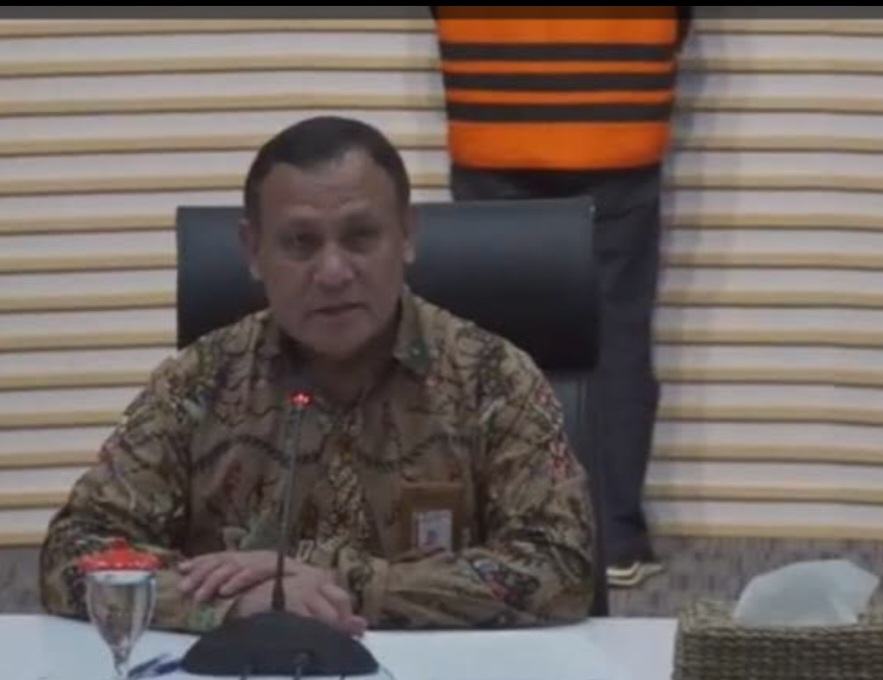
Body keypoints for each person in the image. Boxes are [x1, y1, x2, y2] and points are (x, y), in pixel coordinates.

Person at [39, 115, 598, 634]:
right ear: (253, 250)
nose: (332, 272)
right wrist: (232, 600)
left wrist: (335, 585)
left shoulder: (491, 377)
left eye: (360, 237)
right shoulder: (199, 381)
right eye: (299, 243)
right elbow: (73, 551)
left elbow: (562, 568)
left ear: (406, 235)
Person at [429, 6, 692, 588]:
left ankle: (505, 533)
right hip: (619, 122)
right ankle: (614, 538)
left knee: (493, 346)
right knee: (618, 339)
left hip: (492, 119)